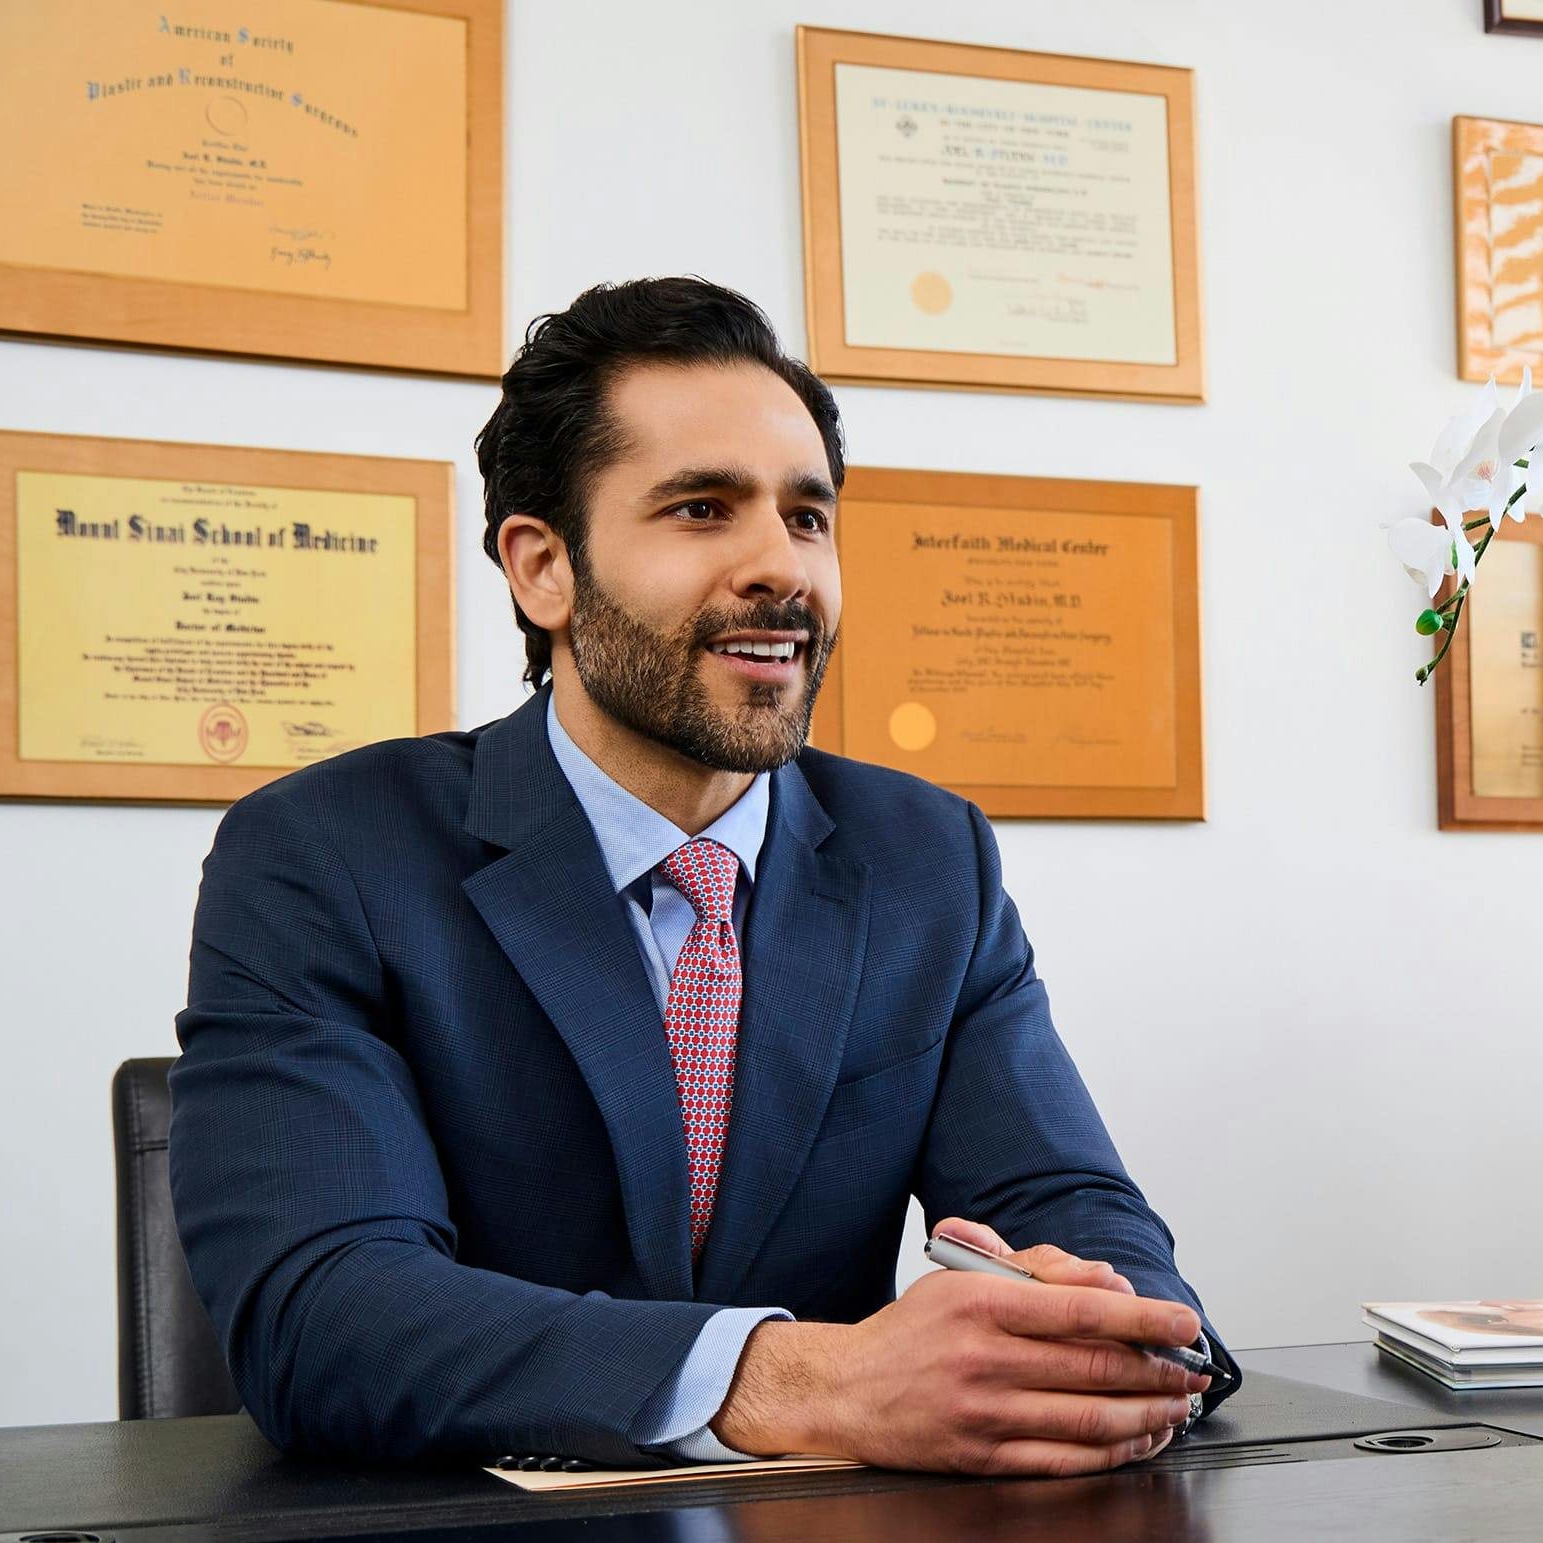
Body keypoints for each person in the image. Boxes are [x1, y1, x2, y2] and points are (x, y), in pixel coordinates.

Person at [169, 276, 1240, 1474]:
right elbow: (323, 1313)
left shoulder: (929, 856)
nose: (779, 568)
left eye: (808, 516)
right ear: (543, 570)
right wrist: (799, 1377)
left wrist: (1107, 1331)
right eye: (700, 509)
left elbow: (1071, 1200)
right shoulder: (325, 853)